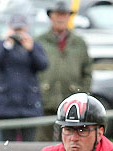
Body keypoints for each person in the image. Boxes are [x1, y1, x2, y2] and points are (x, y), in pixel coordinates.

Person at [0, 13, 47, 142]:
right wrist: (7, 45)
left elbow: (43, 65)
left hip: (29, 104)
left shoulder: (34, 46)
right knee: (8, 145)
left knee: (28, 146)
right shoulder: (1, 45)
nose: (18, 33)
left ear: (26, 29)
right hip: (6, 105)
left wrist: (31, 50)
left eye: (20, 30)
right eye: (15, 30)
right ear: (9, 28)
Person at [36, 1, 92, 141]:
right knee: (43, 142)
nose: (61, 18)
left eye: (64, 15)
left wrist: (82, 93)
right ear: (51, 16)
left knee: (72, 141)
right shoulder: (40, 41)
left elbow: (87, 71)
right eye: (57, 15)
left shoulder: (79, 43)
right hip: (45, 99)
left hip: (72, 99)